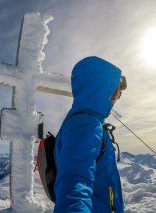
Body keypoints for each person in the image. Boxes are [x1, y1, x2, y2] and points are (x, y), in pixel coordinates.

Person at [54, 56, 126, 212]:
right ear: (103, 90)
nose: (116, 100)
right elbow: (74, 183)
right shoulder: (85, 124)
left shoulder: (83, 120)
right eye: (117, 93)